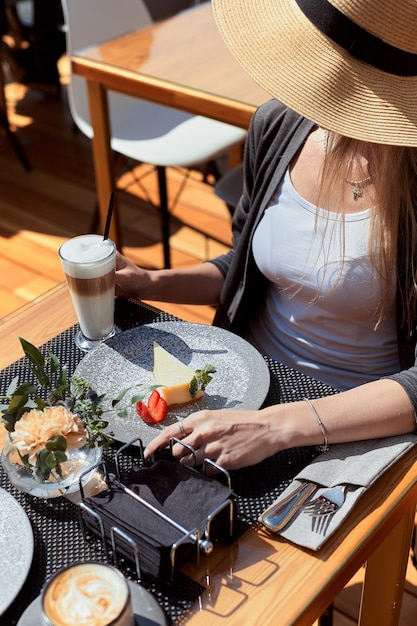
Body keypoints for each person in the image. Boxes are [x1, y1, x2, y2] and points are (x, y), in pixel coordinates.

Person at [115, 0, 417, 471]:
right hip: (241, 384)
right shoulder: (278, 124)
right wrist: (152, 283)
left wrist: (277, 427)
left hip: (355, 421)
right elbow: (246, 267)